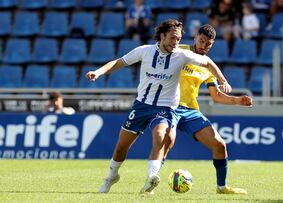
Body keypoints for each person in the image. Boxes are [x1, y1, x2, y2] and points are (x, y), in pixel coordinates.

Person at [86, 19, 231, 195]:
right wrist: (98, 72)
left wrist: (222, 80)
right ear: (162, 36)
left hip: (165, 108)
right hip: (141, 106)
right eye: (172, 38)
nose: (175, 43)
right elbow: (118, 62)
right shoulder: (144, 51)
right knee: (121, 147)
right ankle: (111, 176)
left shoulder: (182, 55)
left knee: (160, 135)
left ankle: (151, 178)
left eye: (178, 39)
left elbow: (207, 63)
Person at [169, 24, 253, 194]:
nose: (203, 46)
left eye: (208, 44)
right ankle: (151, 181)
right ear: (195, 37)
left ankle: (221, 188)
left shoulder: (207, 68)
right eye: (201, 41)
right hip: (167, 106)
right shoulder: (178, 50)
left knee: (220, 145)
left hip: (190, 110)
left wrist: (238, 100)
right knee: (164, 141)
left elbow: (217, 96)